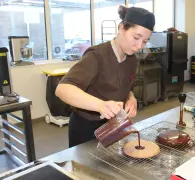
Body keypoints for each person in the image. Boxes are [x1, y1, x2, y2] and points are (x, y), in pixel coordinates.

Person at [55, 5, 155, 148]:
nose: (139, 46)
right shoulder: (97, 56)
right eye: (136, 37)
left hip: (114, 125)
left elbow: (125, 86)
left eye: (145, 41)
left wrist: (130, 97)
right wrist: (100, 105)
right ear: (121, 28)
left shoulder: (131, 58)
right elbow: (63, 89)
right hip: (86, 128)